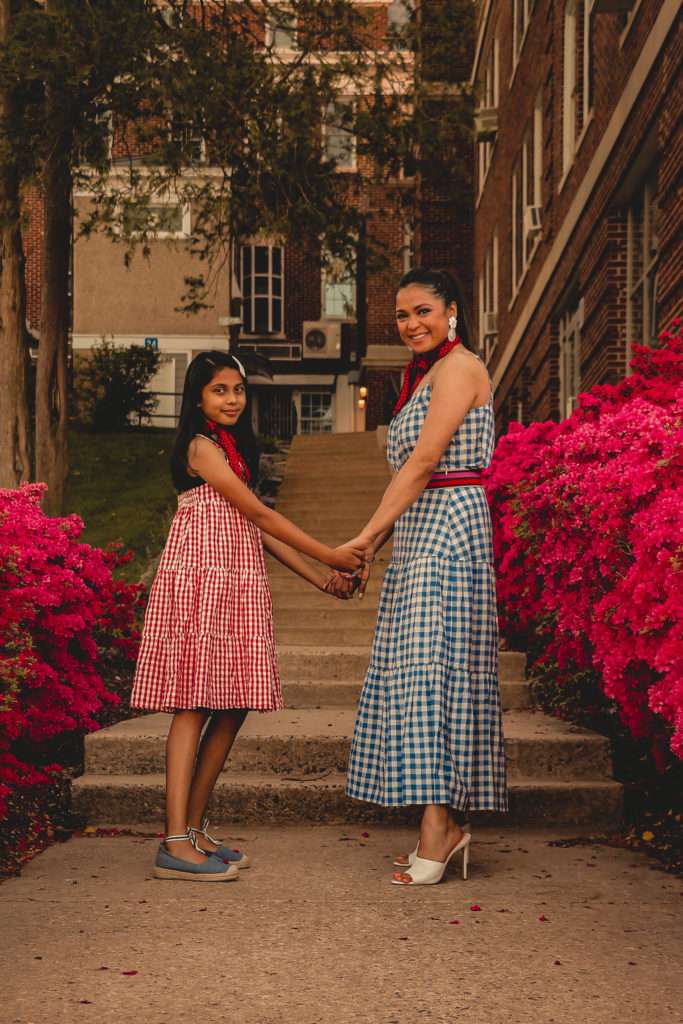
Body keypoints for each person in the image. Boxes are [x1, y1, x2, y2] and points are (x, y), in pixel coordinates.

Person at [131, 350, 363, 881]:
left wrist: (322, 579)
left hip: (235, 583)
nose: (232, 398)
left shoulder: (233, 450)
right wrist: (330, 552)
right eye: (220, 390)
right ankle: (172, 843)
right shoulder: (200, 448)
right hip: (199, 583)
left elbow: (256, 531)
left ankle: (191, 829)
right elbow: (261, 513)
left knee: (232, 705)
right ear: (197, 397)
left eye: (238, 389)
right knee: (192, 703)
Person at [341, 267, 508, 885]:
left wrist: (365, 536)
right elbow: (409, 474)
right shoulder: (424, 376)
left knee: (435, 668)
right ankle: (439, 825)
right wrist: (378, 538)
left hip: (451, 525)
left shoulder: (461, 367)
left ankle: (440, 829)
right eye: (403, 316)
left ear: (453, 312)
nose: (412, 324)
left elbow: (427, 459)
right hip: (420, 527)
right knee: (417, 670)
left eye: (423, 312)